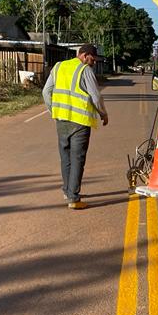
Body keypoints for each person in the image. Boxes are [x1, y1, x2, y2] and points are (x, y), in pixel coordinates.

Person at [42, 44, 108, 210]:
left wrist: (53, 110)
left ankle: (67, 191)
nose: (93, 62)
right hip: (80, 121)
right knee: (77, 158)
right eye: (92, 59)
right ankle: (73, 198)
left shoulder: (58, 67)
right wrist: (103, 113)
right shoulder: (85, 70)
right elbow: (95, 96)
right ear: (85, 56)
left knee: (66, 157)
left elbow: (46, 92)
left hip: (61, 120)